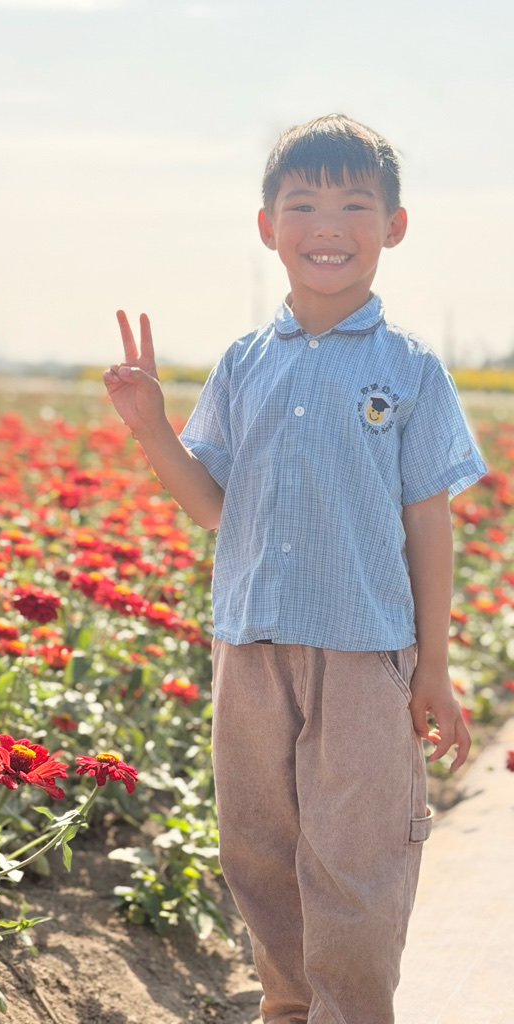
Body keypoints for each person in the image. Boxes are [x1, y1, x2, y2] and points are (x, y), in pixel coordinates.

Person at [104, 114, 487, 1024]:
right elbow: (214, 508)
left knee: (357, 863)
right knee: (261, 856)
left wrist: (433, 666)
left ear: (393, 226)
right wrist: (152, 427)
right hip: (248, 651)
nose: (327, 225)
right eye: (303, 203)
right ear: (267, 225)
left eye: (354, 204)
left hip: (363, 656)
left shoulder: (411, 369)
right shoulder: (244, 364)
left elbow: (428, 522)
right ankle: (286, 1009)